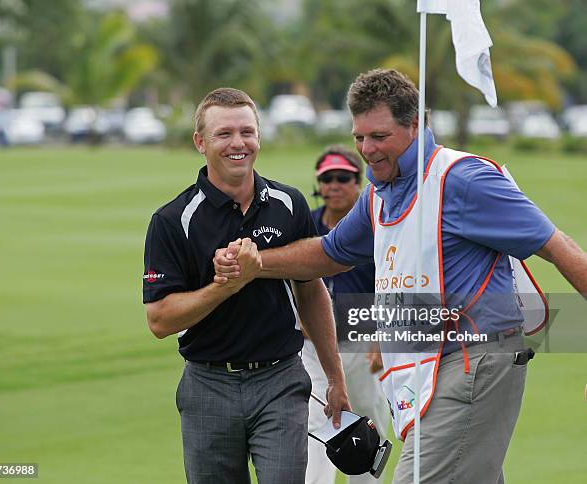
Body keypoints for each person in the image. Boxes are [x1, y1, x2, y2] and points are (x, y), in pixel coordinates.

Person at [214, 69, 587, 483]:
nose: (367, 150)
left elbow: (559, 246)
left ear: (414, 126)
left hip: (476, 359)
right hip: (428, 364)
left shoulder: (463, 179)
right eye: (359, 137)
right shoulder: (378, 191)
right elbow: (329, 252)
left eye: (379, 136)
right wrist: (258, 264)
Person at [142, 87, 350, 484]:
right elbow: (159, 320)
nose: (238, 143)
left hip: (281, 380)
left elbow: (311, 291)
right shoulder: (172, 220)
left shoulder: (289, 204)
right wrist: (224, 286)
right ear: (200, 143)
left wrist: (335, 380)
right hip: (208, 385)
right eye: (224, 134)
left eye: (247, 132)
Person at [304, 145, 390, 484]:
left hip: (363, 341)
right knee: (315, 425)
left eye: (344, 177)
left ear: (359, 182)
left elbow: (391, 285)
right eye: (327, 178)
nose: (334, 185)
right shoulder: (306, 224)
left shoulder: (376, 226)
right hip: (313, 345)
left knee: (368, 421)